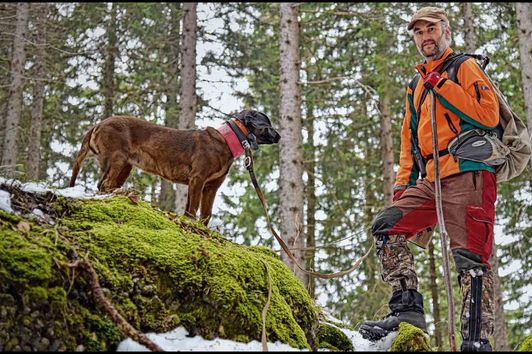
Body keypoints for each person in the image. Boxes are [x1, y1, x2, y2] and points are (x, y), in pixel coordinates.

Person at [359, 6, 499, 352]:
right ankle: (407, 312)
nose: (426, 37)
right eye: (419, 32)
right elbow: (410, 142)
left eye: (431, 29)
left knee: (471, 259)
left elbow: (488, 114)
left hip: (468, 173)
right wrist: (402, 187)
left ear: (445, 30)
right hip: (431, 181)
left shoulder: (463, 67)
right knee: (387, 226)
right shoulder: (416, 85)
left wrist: (443, 85)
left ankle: (476, 339)